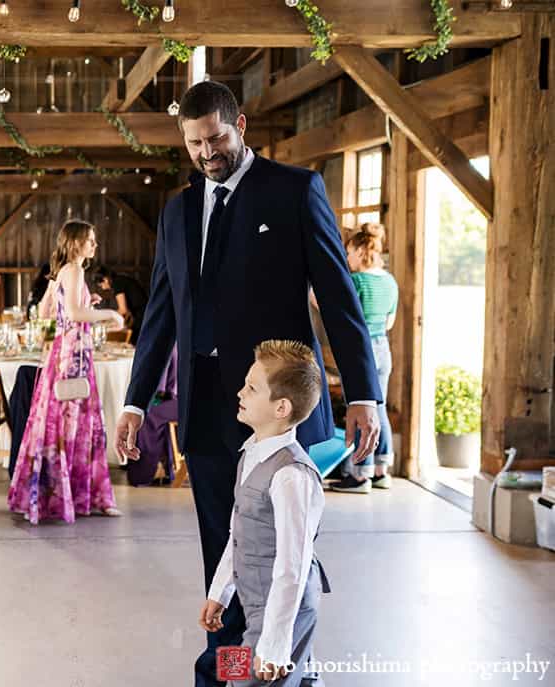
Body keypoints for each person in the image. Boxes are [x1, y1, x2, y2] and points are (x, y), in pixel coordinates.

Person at [114, 81, 381, 687]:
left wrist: (363, 395)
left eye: (216, 138)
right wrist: (135, 401)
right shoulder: (178, 210)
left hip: (281, 412)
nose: (207, 153)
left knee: (282, 555)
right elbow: (160, 313)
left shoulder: (294, 191)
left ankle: (282, 666)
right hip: (209, 411)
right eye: (193, 144)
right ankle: (230, 670)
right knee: (224, 551)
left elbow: (340, 299)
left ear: (241, 123)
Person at [200, 340, 329, 687]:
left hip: (281, 610)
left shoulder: (291, 476)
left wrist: (273, 643)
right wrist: (219, 592)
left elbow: (293, 565)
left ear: (281, 407)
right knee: (240, 675)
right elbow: (237, 533)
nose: (240, 392)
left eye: (252, 388)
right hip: (251, 603)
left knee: (252, 680)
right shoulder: (250, 454)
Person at [8, 220, 124, 524]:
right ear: (76, 243)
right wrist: (107, 314)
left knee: (55, 421)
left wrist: (88, 301)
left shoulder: (63, 271)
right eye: (90, 241)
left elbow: (46, 312)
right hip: (73, 354)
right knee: (77, 419)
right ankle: (77, 495)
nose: (94, 246)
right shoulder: (74, 269)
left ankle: (55, 495)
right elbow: (72, 314)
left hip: (61, 351)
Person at [328, 223, 399, 494]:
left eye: (349, 252)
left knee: (359, 409)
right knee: (378, 409)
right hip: (383, 348)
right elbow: (389, 322)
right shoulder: (389, 282)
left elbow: (342, 316)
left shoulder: (356, 282)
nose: (347, 258)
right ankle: (382, 471)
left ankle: (360, 476)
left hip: (361, 351)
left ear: (360, 250)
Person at [95, 265, 148, 344]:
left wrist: (106, 320)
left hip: (142, 315)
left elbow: (123, 310)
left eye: (101, 285)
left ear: (105, 279)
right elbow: (127, 311)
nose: (102, 288)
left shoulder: (117, 283)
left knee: (135, 343)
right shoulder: (120, 279)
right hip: (143, 313)